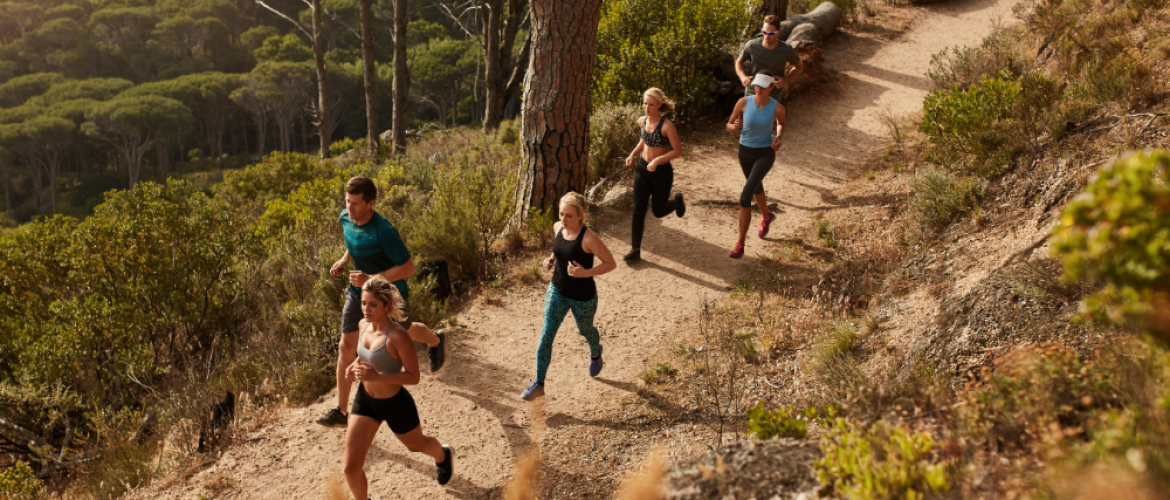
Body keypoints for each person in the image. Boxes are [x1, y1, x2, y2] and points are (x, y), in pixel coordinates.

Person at [316, 176, 447, 428]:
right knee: (346, 346)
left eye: (355, 203)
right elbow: (350, 238)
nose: (349, 208)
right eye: (347, 201)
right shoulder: (346, 217)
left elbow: (408, 267)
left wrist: (371, 278)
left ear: (371, 203)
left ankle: (435, 340)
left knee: (405, 333)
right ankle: (342, 412)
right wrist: (345, 261)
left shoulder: (384, 232)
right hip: (358, 293)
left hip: (389, 295)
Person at [343, 276, 454, 498]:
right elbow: (364, 356)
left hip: (395, 404)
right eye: (364, 303)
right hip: (365, 401)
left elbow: (413, 377)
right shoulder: (362, 325)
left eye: (373, 304)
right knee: (350, 469)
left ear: (386, 306)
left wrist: (376, 375)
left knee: (417, 445)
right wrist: (352, 366)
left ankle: (443, 455)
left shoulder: (398, 336)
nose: (366, 309)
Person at [521, 192, 617, 400]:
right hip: (557, 290)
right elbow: (560, 249)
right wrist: (551, 259)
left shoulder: (589, 238)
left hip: (582, 297)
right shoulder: (558, 228)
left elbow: (611, 263)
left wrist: (585, 273)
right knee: (546, 334)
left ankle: (595, 352)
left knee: (585, 330)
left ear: (580, 215)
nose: (563, 220)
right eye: (561, 214)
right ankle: (539, 383)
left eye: (569, 216)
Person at [726, 70, 786, 259]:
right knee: (756, 186)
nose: (758, 88)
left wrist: (778, 136)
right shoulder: (744, 102)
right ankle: (767, 216)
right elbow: (728, 125)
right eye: (757, 84)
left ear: (771, 87)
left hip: (765, 153)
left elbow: (781, 123)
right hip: (745, 152)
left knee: (745, 197)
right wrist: (734, 127)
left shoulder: (777, 107)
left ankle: (740, 244)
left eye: (763, 85)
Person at [622, 88, 686, 263]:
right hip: (642, 170)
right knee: (638, 210)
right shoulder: (642, 121)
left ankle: (677, 201)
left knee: (658, 211)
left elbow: (678, 151)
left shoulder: (667, 126)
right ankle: (635, 249)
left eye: (651, 104)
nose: (646, 107)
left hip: (661, 173)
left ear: (659, 104)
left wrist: (658, 161)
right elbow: (644, 140)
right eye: (644, 103)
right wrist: (633, 154)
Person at [735, 15, 805, 98]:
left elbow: (799, 67)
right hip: (751, 95)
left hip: (773, 98)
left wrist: (785, 80)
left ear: (778, 32)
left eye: (771, 33)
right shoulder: (751, 45)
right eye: (764, 32)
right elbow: (739, 62)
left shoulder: (786, 49)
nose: (767, 36)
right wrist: (743, 77)